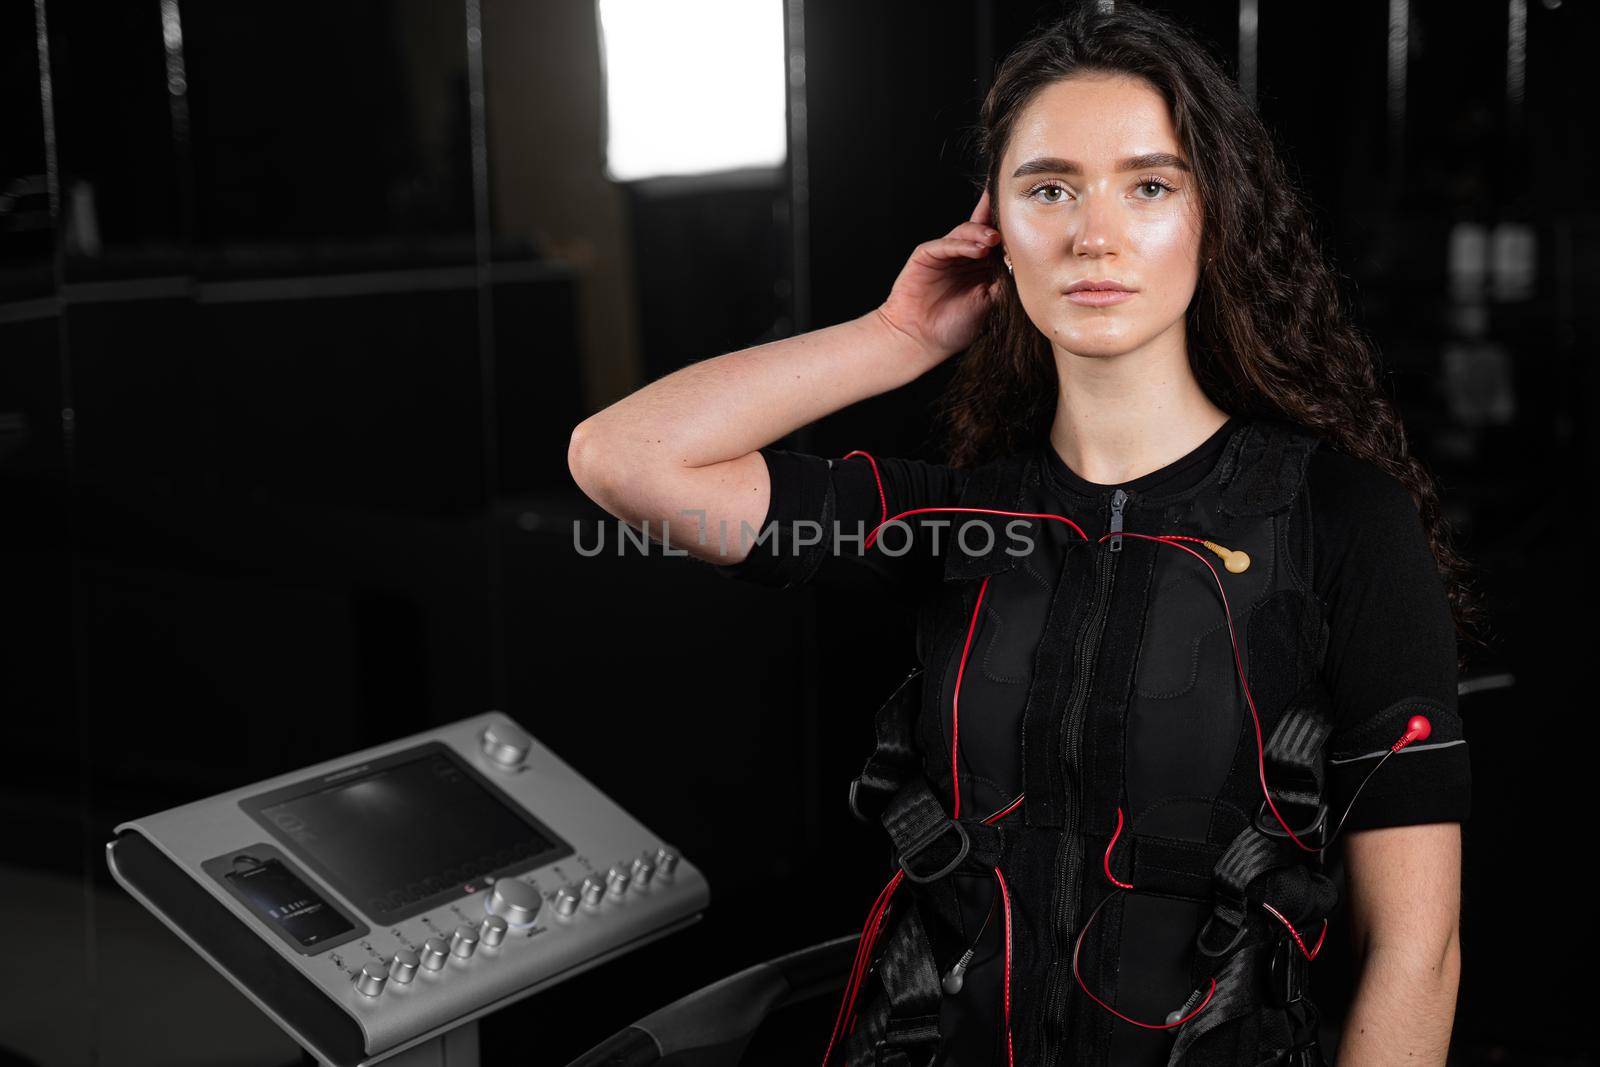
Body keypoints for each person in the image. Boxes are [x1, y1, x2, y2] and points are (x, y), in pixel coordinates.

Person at [568, 4, 1481, 1064]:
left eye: (1147, 185)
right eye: (1049, 188)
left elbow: (1418, 951)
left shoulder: (1337, 515)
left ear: (1212, 216)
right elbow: (622, 458)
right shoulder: (947, 518)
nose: (1093, 234)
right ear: (996, 224)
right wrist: (893, 335)